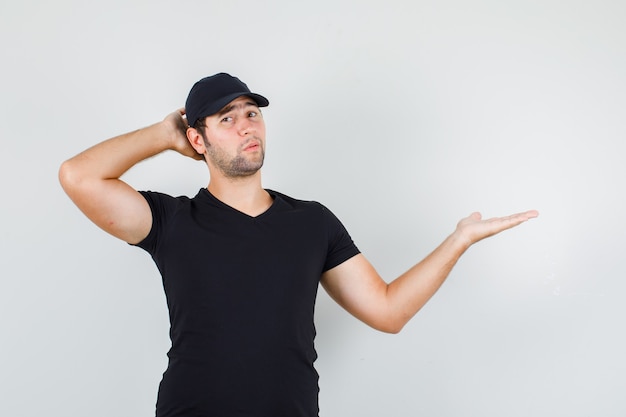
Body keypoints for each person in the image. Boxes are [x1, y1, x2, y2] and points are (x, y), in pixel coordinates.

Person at [58, 72, 538, 417]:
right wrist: (162, 135)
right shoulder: (171, 220)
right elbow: (77, 176)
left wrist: (458, 241)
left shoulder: (311, 222)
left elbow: (388, 311)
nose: (248, 125)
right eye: (227, 119)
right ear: (197, 140)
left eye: (252, 113)